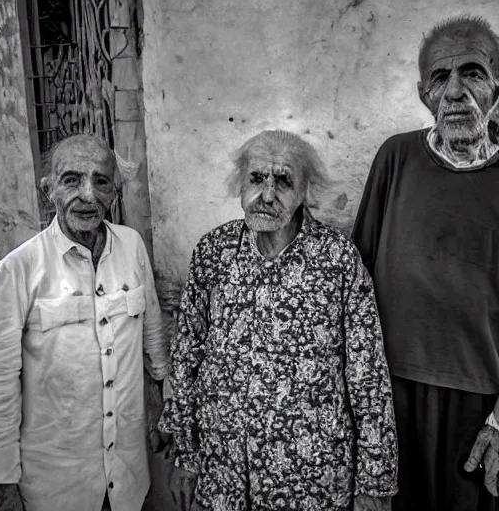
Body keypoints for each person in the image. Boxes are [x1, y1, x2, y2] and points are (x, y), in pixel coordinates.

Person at [159, 130, 397, 510]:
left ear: (303, 192)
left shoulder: (336, 260)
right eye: (256, 179)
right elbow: (187, 356)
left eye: (283, 182)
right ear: (241, 184)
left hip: (313, 478)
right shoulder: (213, 253)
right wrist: (187, 455)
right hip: (227, 473)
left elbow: (368, 376)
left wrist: (373, 481)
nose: (267, 195)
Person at [352, 15, 499, 511]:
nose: (456, 92)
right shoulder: (395, 159)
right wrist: (359, 407)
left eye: (473, 73)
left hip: (480, 404)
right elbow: (357, 282)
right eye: (441, 78)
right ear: (424, 95)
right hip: (391, 396)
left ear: (498, 84)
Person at [0, 134, 169, 511]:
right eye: (72, 179)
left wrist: (158, 407)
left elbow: (153, 337)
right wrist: (0, 482)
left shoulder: (132, 245)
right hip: (55, 482)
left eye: (101, 181)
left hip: (127, 474)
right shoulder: (19, 269)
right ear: (47, 190)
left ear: (115, 192)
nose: (88, 195)